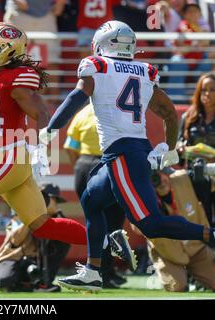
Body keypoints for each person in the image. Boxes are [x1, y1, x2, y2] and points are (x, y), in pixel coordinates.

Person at [0, 22, 135, 297]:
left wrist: (41, 149)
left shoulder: (18, 78)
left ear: (9, 52)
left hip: (9, 155)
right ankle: (109, 240)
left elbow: (43, 113)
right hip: (4, 156)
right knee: (42, 225)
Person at [41, 20, 215, 291]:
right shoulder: (144, 70)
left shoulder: (97, 66)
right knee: (91, 200)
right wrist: (167, 149)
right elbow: (170, 113)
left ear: (101, 43)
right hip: (126, 152)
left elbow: (77, 96)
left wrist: (52, 127)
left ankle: (210, 234)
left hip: (124, 153)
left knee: (151, 224)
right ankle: (93, 270)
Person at [64, 103, 129, 288]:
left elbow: (70, 146)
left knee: (95, 221)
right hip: (107, 164)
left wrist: (79, 168)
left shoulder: (82, 113)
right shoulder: (118, 109)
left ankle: (98, 270)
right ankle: (105, 273)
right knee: (114, 223)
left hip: (83, 166)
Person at [0, 183, 71, 293]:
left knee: (64, 239)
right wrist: (32, 217)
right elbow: (15, 240)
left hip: (38, 262)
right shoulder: (21, 212)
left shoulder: (56, 218)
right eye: (43, 199)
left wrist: (57, 215)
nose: (45, 203)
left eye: (49, 200)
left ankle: (43, 282)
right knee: (5, 281)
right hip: (15, 258)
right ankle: (31, 285)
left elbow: (68, 233)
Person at [149, 168, 215, 292]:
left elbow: (211, 182)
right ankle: (166, 272)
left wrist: (205, 168)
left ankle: (197, 277)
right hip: (167, 253)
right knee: (177, 286)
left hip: (196, 247)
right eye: (154, 178)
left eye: (161, 174)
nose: (160, 181)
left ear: (167, 171)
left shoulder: (184, 178)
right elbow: (136, 228)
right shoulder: (144, 196)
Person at [177, 72, 215, 226]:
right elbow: (179, 142)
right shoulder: (188, 117)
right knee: (199, 219)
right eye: (204, 89)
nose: (207, 93)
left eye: (212, 89)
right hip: (195, 175)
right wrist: (181, 147)